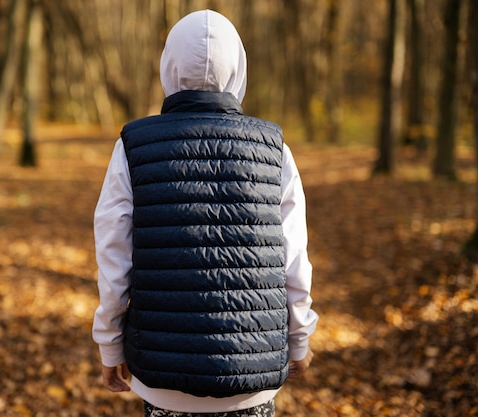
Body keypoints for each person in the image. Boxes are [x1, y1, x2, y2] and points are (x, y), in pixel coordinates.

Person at [92, 9, 318, 417]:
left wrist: (110, 345)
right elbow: (294, 261)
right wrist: (299, 339)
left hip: (164, 377)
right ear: (239, 68)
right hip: (252, 376)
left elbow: (113, 256)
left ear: (169, 65)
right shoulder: (273, 148)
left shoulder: (134, 144)